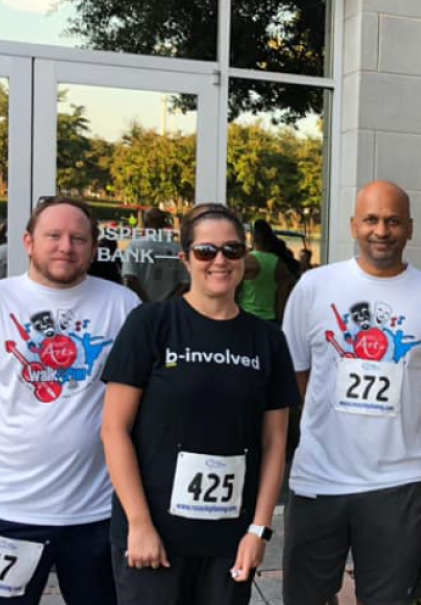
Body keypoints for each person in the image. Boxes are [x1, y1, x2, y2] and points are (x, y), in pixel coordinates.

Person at [100, 203, 295, 605]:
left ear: (244, 258)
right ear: (186, 259)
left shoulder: (268, 340)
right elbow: (114, 429)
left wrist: (259, 530)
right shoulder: (151, 324)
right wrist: (139, 523)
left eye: (232, 250)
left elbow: (275, 443)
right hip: (154, 537)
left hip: (229, 541)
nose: (219, 260)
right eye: (206, 251)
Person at [281, 180, 421, 605]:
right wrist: (327, 405)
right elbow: (295, 371)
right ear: (353, 225)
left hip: (397, 481)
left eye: (393, 221)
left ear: (410, 228)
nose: (382, 231)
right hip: (320, 476)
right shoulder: (313, 287)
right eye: (371, 220)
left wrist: (396, 407)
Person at [0, 196, 140, 604]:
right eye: (54, 236)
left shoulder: (122, 305)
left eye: (78, 238)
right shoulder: (3, 300)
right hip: (10, 511)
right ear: (28, 242)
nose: (66, 247)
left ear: (94, 248)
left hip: (97, 513)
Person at [122, 208, 188, 302]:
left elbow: (130, 278)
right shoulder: (177, 248)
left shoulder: (135, 245)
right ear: (164, 224)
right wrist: (166, 304)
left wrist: (146, 303)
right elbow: (185, 283)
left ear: (145, 224)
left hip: (140, 305)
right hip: (168, 306)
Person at [239, 219, 294, 323]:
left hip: (247, 317)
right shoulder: (279, 263)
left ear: (252, 238)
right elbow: (282, 296)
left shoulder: (246, 261)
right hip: (270, 319)